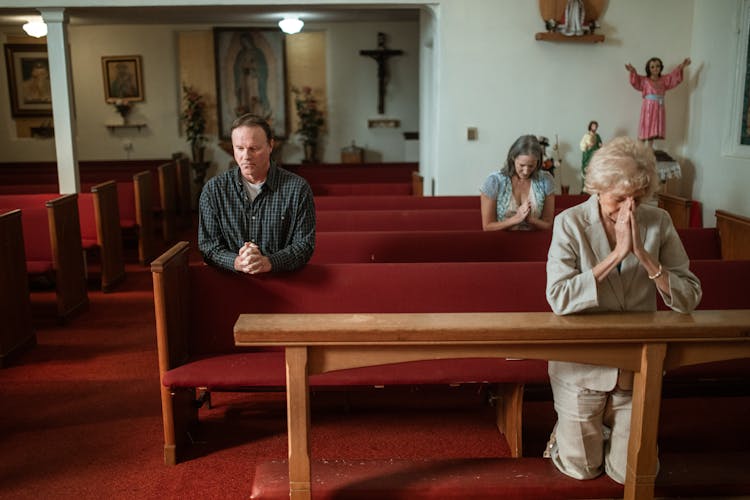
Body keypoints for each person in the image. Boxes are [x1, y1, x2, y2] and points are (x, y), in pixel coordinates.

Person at [544, 136, 702, 484]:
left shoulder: (658, 221)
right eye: (619, 198)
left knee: (628, 473)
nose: (628, 208)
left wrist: (645, 259)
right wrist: (616, 256)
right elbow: (558, 298)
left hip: (637, 369)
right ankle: (563, 433)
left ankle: (608, 429)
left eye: (637, 198)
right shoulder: (569, 223)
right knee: (583, 470)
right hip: (581, 366)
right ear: (598, 187)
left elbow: (690, 296)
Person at [198, 113, 315, 273]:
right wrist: (237, 262)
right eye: (239, 148)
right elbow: (208, 246)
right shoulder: (213, 190)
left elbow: (304, 246)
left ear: (270, 146)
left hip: (283, 281)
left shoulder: (298, 188)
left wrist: (268, 262)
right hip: (231, 283)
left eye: (254, 148)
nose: (246, 156)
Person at [480, 134, 555, 231]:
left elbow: (548, 224)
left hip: (535, 241)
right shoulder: (494, 181)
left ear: (538, 161)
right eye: (522, 165)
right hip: (501, 242)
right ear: (513, 158)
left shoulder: (546, 180)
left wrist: (530, 220)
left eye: (531, 166)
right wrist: (516, 219)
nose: (526, 171)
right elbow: (488, 227)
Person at [625, 57, 691, 147]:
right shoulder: (645, 80)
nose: (655, 68)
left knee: (653, 129)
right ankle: (640, 148)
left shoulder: (664, 79)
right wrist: (633, 71)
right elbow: (636, 81)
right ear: (648, 68)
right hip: (648, 107)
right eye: (652, 67)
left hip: (659, 106)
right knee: (646, 127)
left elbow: (673, 77)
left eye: (657, 66)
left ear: (660, 67)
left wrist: (682, 66)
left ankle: (649, 149)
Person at [579, 120, 602, 190]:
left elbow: (600, 144)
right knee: (586, 171)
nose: (594, 127)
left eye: (595, 126)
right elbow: (582, 146)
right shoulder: (586, 136)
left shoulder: (597, 136)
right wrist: (587, 146)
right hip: (588, 156)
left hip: (595, 156)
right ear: (590, 126)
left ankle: (593, 189)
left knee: (594, 172)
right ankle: (585, 189)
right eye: (593, 126)